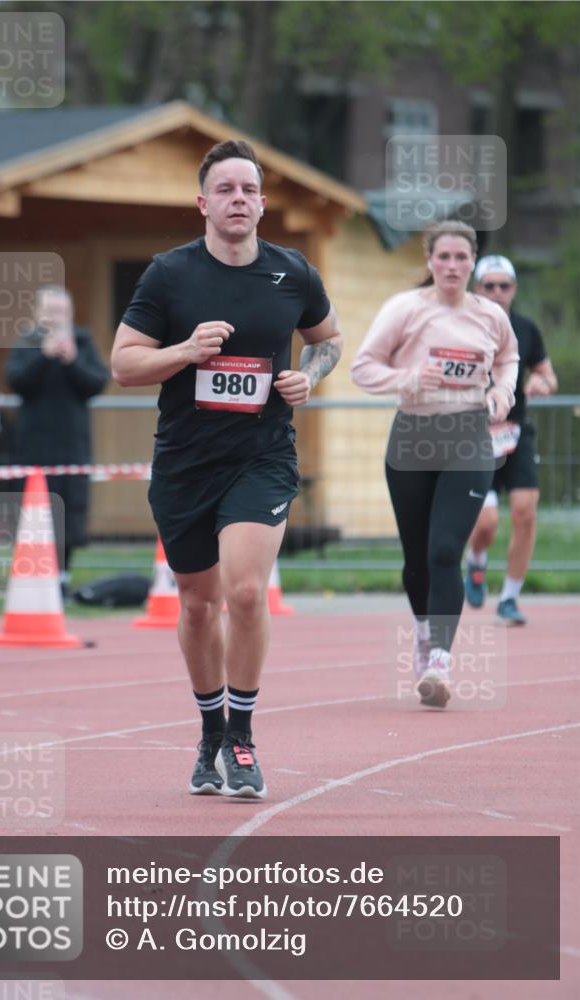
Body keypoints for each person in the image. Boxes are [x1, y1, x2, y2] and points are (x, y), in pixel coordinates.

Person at [112, 139, 342, 798]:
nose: (237, 199)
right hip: (185, 463)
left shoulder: (293, 272)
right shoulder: (169, 274)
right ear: (203, 203)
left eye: (247, 190)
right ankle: (210, 732)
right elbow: (123, 363)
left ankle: (241, 738)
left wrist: (309, 376)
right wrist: (185, 351)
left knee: (244, 593)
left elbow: (327, 341)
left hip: (261, 457)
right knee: (196, 605)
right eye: (225, 189)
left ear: (262, 203)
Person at [351, 221, 519, 709]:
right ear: (429, 260)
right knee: (417, 558)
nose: (452, 266)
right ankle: (424, 633)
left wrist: (502, 390)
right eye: (443, 256)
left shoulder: (489, 314)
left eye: (461, 257)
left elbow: (508, 358)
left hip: (467, 435)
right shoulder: (405, 309)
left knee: (445, 551)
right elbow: (363, 367)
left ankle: (440, 662)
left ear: (473, 262)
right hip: (413, 437)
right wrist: (408, 378)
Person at [464, 255, 558, 625]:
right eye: (489, 285)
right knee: (486, 523)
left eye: (504, 285)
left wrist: (541, 383)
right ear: (477, 289)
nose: (497, 292)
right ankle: (476, 561)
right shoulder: (461, 327)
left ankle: (509, 598)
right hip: (474, 437)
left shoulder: (526, 329)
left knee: (525, 511)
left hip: (516, 432)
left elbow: (547, 375)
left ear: (514, 289)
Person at [6, 287, 109, 594]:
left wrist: (72, 361)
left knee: (70, 508)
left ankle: (63, 576)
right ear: (37, 312)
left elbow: (96, 383)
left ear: (70, 313)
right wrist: (44, 356)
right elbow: (17, 381)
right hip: (33, 444)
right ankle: (32, 575)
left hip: (72, 443)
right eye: (49, 311)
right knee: (35, 510)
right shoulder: (28, 341)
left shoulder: (82, 341)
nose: (54, 318)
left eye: (60, 311)